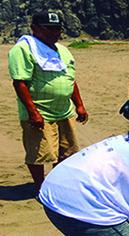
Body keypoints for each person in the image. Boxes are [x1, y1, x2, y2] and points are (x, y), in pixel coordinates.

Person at [8, 11, 89, 191]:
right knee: (40, 153)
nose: (54, 33)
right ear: (34, 28)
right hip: (41, 112)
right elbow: (20, 82)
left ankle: (57, 185)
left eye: (57, 29)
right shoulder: (23, 49)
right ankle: (41, 187)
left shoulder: (63, 51)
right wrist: (33, 112)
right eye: (48, 29)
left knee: (66, 152)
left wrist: (80, 105)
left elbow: (70, 80)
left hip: (64, 112)